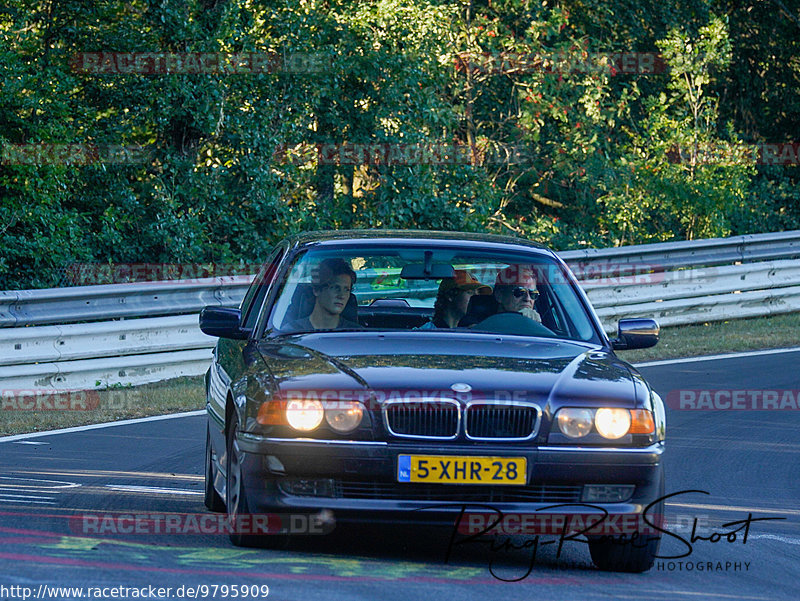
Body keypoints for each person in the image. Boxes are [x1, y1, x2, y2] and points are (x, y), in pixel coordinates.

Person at [285, 258, 361, 331]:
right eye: (335, 288)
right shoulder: (291, 331)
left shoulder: (356, 334)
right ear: (317, 290)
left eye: (346, 290)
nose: (342, 296)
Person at [417, 269, 491, 329]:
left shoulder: (482, 332)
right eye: (470, 293)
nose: (476, 298)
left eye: (478, 294)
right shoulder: (426, 333)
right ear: (450, 296)